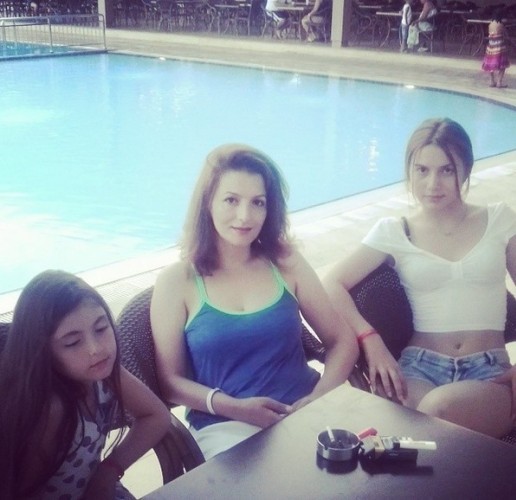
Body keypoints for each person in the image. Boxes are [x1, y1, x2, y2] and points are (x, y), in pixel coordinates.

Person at [151, 144, 358, 459]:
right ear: (207, 202)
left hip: (306, 409)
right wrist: (235, 408)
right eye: (231, 200)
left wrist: (319, 398)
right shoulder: (176, 282)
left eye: (257, 202)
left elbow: (341, 340)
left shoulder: (286, 263)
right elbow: (171, 382)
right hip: (225, 425)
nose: (245, 216)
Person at [323, 118, 516, 438]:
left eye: (446, 170)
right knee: (424, 427)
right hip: (418, 370)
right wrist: (370, 340)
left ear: (466, 169)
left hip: (489, 373)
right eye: (422, 170)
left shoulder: (499, 220)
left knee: (434, 414)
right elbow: (332, 284)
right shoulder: (394, 231)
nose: (432, 184)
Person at [0, 270, 171, 500]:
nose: (96, 349)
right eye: (72, 342)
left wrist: (109, 469)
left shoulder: (104, 373)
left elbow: (156, 416)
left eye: (101, 328)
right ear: (43, 352)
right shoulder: (52, 411)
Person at [482, 9, 511, 88]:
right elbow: (505, 35)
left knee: (490, 64)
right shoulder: (500, 25)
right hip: (499, 46)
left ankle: (492, 81)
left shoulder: (490, 24)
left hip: (491, 46)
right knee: (503, 65)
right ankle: (499, 82)